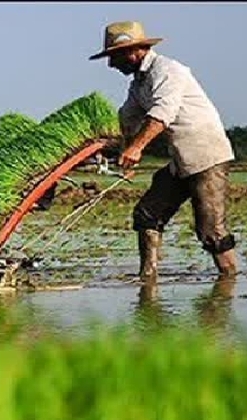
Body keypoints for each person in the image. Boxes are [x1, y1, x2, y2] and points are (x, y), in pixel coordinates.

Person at [90, 20, 239, 280]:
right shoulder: (138, 83)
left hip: (206, 157)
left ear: (132, 52)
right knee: (147, 213)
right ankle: (148, 277)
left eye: (114, 57)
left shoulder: (168, 71)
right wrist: (107, 146)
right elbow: (128, 118)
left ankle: (229, 284)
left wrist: (136, 148)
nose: (111, 64)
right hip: (180, 161)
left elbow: (162, 114)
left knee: (211, 231)